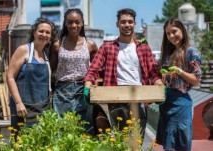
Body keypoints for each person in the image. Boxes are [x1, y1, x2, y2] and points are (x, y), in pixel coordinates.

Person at [84, 8, 163, 138]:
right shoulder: (107, 47)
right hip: (116, 98)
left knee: (137, 140)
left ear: (135, 24)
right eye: (123, 22)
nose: (127, 25)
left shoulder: (143, 48)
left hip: (139, 98)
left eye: (130, 22)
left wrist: (161, 89)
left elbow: (153, 73)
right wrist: (87, 87)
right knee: (121, 139)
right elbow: (93, 70)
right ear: (117, 24)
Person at [50, 8, 110, 136]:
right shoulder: (57, 45)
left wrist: (95, 86)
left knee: (84, 126)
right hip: (62, 91)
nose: (74, 26)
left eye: (77, 22)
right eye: (70, 22)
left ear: (82, 23)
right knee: (61, 127)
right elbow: (51, 70)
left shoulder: (90, 45)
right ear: (65, 24)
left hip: (83, 89)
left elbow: (97, 69)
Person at [156, 18, 202, 151]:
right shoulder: (168, 54)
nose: (171, 36)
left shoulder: (191, 52)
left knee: (180, 146)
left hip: (181, 104)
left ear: (182, 30)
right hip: (165, 104)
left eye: (174, 31)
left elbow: (196, 79)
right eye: (168, 33)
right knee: (168, 146)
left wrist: (179, 71)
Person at [7, 17, 58, 131]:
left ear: (50, 37)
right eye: (41, 31)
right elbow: (10, 77)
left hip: (42, 108)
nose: (44, 34)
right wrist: (18, 103)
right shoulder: (24, 50)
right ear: (34, 32)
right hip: (23, 108)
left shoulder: (46, 54)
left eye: (47, 32)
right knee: (21, 143)